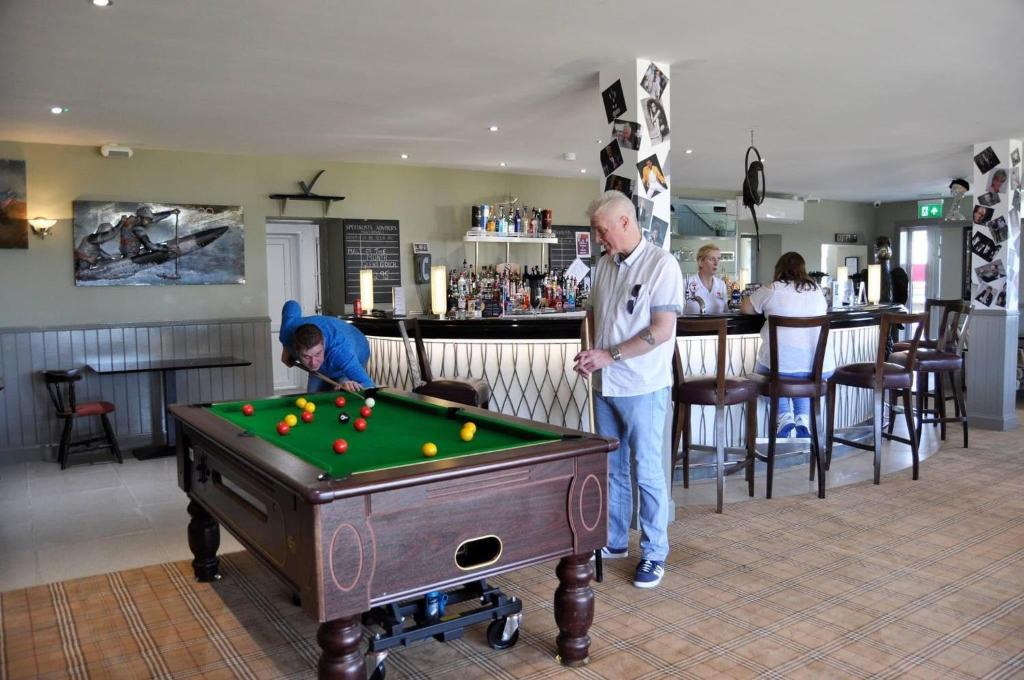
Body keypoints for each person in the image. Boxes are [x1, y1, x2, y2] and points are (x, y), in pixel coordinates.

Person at [573, 191, 683, 589]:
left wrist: (609, 355)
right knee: (612, 469)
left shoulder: (661, 265)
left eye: (603, 231)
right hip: (605, 385)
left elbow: (661, 330)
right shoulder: (604, 265)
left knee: (647, 470)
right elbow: (591, 314)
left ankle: (655, 553)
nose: (600, 239)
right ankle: (616, 541)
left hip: (643, 385)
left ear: (624, 222)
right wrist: (587, 352)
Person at [741, 252, 833, 438]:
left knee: (765, 372)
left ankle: (783, 415)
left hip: (782, 370)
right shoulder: (816, 290)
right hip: (820, 369)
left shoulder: (772, 289)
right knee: (800, 374)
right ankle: (802, 418)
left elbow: (745, 308)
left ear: (778, 269)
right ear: (803, 269)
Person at [279, 300, 373, 393]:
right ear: (296, 349)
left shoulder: (341, 352)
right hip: (332, 352)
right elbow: (292, 305)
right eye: (306, 356)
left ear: (324, 344)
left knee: (342, 394)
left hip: (359, 347)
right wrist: (286, 348)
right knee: (313, 399)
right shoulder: (288, 332)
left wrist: (349, 385)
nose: (313, 363)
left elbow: (369, 385)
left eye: (317, 354)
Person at [683, 244, 729, 314]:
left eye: (718, 259)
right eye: (712, 259)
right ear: (700, 262)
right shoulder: (686, 283)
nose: (716, 263)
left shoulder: (721, 284)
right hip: (693, 324)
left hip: (717, 325)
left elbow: (726, 312)